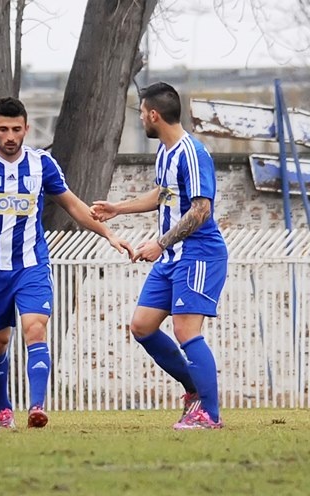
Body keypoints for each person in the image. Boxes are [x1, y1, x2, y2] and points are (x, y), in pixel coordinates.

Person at [0, 97, 133, 430]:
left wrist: (107, 233)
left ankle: (37, 407)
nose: (10, 136)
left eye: (17, 129)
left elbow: (74, 206)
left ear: (26, 129)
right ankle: (4, 410)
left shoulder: (42, 164)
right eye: (3, 129)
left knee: (35, 329)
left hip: (31, 265)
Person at [91, 82, 228, 430]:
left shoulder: (192, 153)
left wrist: (160, 244)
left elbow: (201, 211)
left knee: (186, 331)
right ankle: (195, 389)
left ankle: (209, 415)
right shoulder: (166, 153)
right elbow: (163, 194)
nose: (140, 120)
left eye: (140, 113)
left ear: (153, 114)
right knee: (142, 326)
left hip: (198, 254)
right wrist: (118, 208)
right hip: (173, 258)